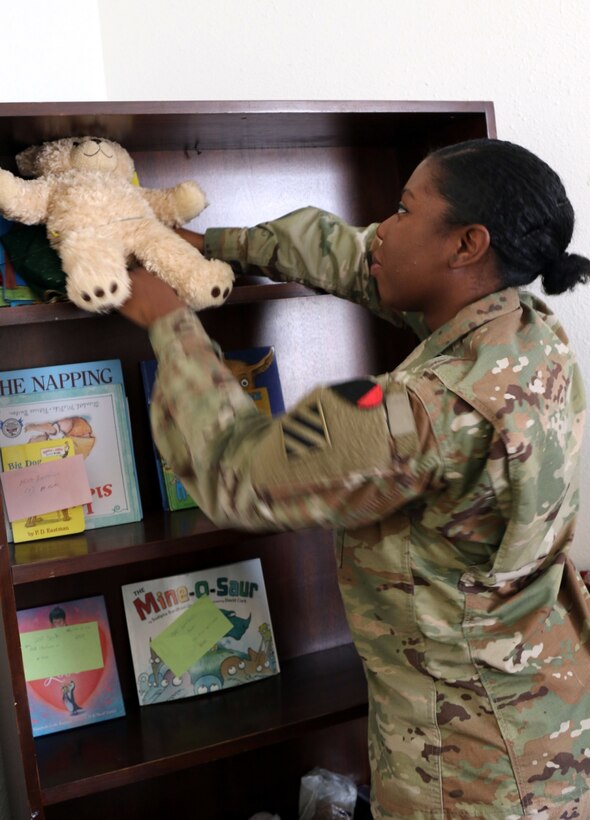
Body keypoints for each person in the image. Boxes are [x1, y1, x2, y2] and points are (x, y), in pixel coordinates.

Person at [119, 138, 590, 820]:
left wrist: (170, 324)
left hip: (470, 775)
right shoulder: (529, 331)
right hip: (550, 717)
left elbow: (233, 471)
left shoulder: (417, 414)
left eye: (402, 210)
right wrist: (211, 242)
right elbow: (362, 256)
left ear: (466, 246)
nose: (383, 230)